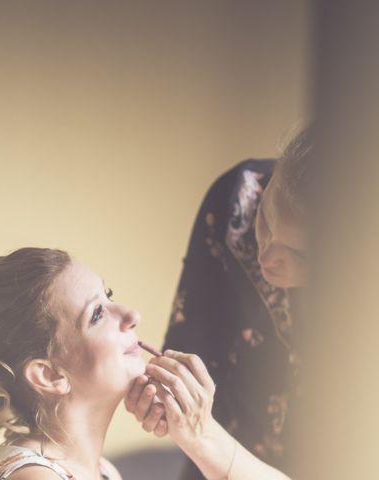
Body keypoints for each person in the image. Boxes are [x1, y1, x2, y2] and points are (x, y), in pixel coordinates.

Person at [0, 247, 290, 479]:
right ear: (49, 374)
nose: (131, 314)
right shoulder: (35, 479)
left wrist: (198, 434)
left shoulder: (98, 470)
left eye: (109, 295)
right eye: (98, 314)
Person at [125, 128, 310, 478]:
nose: (266, 257)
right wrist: (167, 403)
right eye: (266, 219)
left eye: (301, 255)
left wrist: (202, 437)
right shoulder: (234, 200)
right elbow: (191, 347)